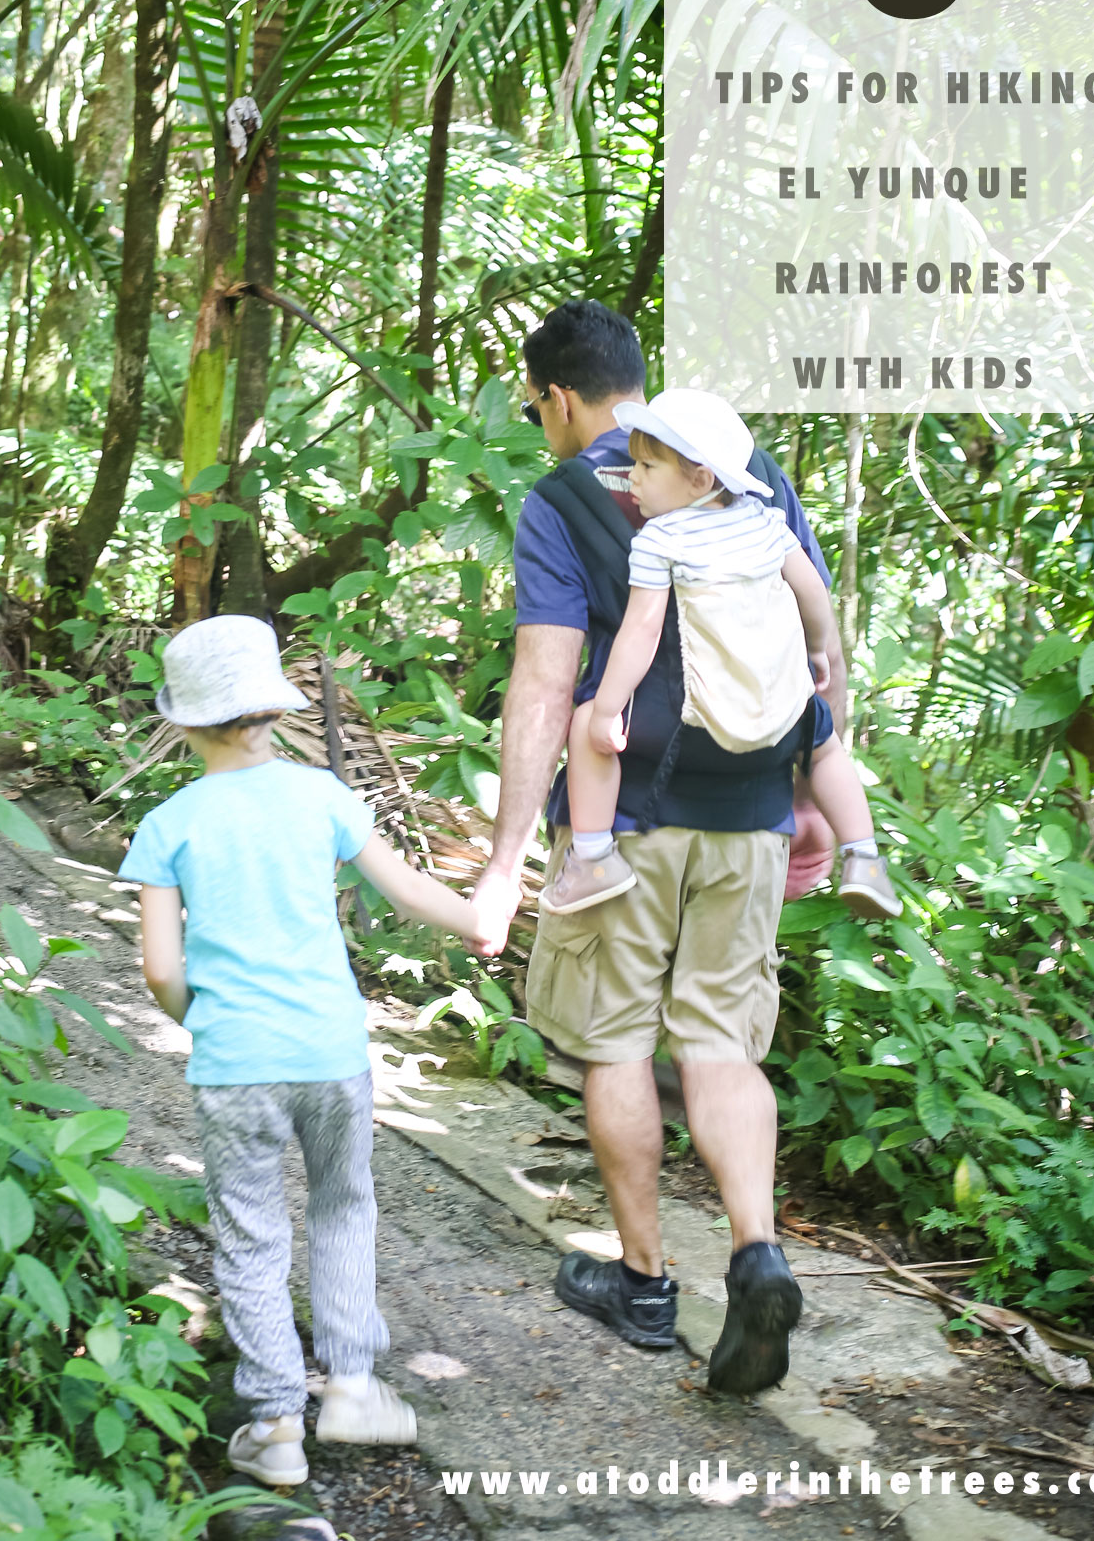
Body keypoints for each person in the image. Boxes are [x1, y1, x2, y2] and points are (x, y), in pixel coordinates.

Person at [469, 299, 839, 1396]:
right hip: (754, 808)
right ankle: (755, 1250)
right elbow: (822, 640)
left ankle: (643, 1280)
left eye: (539, 408)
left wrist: (503, 860)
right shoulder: (746, 470)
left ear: (561, 398)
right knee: (722, 1040)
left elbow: (546, 681)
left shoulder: (561, 500)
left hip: (623, 818)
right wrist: (820, 779)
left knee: (617, 1038)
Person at [120, 615, 506, 1489]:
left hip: (234, 1062)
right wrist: (477, 919)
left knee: (250, 1235)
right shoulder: (321, 797)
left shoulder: (167, 824)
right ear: (270, 712)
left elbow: (158, 968)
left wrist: (203, 1017)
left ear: (181, 721)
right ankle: (356, 1389)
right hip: (331, 1052)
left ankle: (274, 1424)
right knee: (342, 1207)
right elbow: (407, 892)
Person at [539, 387, 900, 922]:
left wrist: (610, 709)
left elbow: (640, 632)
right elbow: (813, 595)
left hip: (703, 714)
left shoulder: (660, 541)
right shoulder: (766, 522)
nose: (631, 476)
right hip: (782, 711)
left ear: (701, 478)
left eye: (645, 465)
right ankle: (864, 856)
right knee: (824, 749)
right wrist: (820, 651)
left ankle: (593, 857)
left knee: (588, 725)